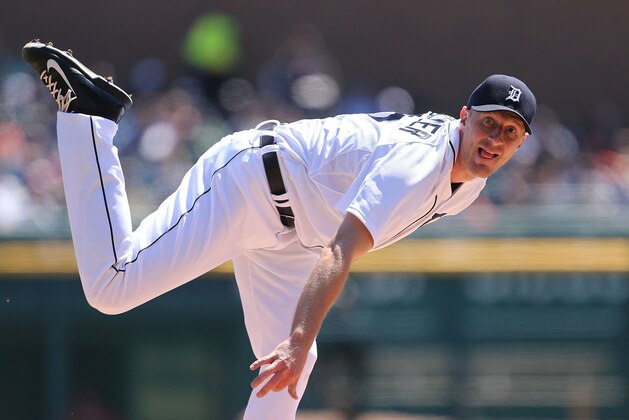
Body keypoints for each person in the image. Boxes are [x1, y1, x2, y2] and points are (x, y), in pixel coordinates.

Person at [22, 39, 536, 419]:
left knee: (293, 364)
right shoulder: (422, 162)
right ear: (465, 116)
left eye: (510, 132)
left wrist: (295, 342)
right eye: (489, 122)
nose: (496, 137)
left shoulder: (470, 180)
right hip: (252, 185)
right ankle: (90, 116)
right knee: (114, 286)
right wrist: (297, 333)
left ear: (520, 144)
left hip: (292, 234)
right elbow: (342, 251)